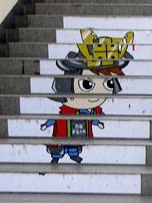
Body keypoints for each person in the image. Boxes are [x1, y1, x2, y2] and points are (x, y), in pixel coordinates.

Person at [40, 29, 133, 163]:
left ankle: (73, 155)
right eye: (87, 85)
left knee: (75, 145)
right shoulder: (66, 113)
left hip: (79, 131)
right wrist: (46, 125)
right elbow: (55, 120)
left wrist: (98, 122)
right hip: (64, 132)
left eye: (108, 84)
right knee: (61, 145)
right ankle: (56, 158)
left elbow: (91, 119)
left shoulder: (88, 112)